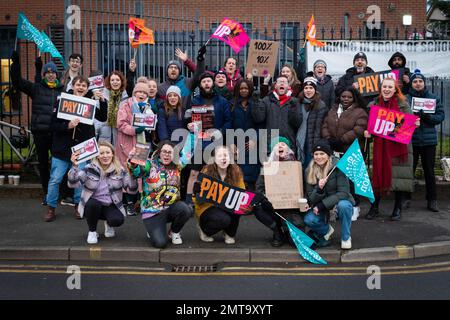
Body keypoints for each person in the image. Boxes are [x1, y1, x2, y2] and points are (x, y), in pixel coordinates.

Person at [45, 75, 107, 222]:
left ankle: (79, 206)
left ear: (87, 89)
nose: (80, 88)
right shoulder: (62, 101)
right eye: (78, 85)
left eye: (84, 86)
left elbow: (102, 117)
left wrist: (102, 101)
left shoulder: (90, 103)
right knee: (55, 179)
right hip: (62, 149)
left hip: (82, 149)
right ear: (72, 86)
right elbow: (52, 125)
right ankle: (51, 207)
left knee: (80, 179)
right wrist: (67, 126)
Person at [10, 51, 64, 205]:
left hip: (56, 133)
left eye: (53, 72)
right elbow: (18, 82)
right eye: (47, 72)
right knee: (43, 164)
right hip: (40, 133)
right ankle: (47, 193)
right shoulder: (36, 88)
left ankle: (57, 191)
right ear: (44, 74)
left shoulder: (62, 90)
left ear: (56, 74)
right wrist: (16, 64)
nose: (50, 75)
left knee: (57, 164)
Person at [364, 77, 420, 221]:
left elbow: (410, 123)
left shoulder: (403, 104)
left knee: (398, 178)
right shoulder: (375, 104)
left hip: (398, 148)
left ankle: (397, 208)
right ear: (380, 89)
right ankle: (374, 207)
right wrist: (368, 132)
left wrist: (414, 123)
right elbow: (371, 126)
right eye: (384, 87)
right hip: (381, 147)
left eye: (390, 87)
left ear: (395, 89)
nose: (387, 89)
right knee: (378, 174)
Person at [68, 141, 138, 244]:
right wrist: (74, 166)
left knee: (117, 220)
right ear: (97, 156)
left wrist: (132, 173)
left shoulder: (120, 170)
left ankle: (109, 224)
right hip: (93, 205)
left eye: (108, 152)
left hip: (111, 204)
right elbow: (73, 183)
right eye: (101, 153)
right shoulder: (89, 169)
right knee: (93, 204)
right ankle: (92, 231)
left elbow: (132, 190)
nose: (105, 156)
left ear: (112, 154)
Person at [128, 140, 193, 248]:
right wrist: (133, 163)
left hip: (170, 207)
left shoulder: (178, 165)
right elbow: (138, 171)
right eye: (164, 151)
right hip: (152, 210)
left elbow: (188, 151)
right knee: (160, 243)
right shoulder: (150, 165)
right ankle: (153, 229)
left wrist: (193, 132)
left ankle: (174, 232)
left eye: (170, 152)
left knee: (186, 209)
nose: (166, 154)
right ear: (159, 152)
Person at [185, 72, 232, 205]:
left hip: (216, 142)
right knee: (194, 172)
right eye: (204, 81)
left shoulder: (222, 101)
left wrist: (219, 132)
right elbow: (188, 118)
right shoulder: (195, 101)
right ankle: (189, 201)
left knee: (216, 172)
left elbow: (228, 121)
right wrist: (189, 124)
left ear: (213, 83)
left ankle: (216, 199)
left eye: (209, 81)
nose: (206, 83)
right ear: (200, 84)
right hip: (199, 142)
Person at [321, 87, 368, 220]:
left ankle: (355, 207)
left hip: (350, 151)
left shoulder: (360, 112)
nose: (346, 99)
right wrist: (329, 139)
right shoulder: (333, 109)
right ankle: (336, 208)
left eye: (349, 97)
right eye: (343, 96)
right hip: (334, 150)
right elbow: (325, 125)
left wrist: (342, 140)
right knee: (335, 181)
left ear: (354, 98)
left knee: (352, 181)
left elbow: (358, 129)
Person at [117, 77, 157, 216]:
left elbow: (151, 124)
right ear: (134, 92)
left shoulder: (148, 107)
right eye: (139, 92)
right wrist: (135, 129)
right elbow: (120, 124)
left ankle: (137, 203)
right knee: (128, 173)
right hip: (127, 143)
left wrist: (150, 127)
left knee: (139, 172)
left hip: (142, 144)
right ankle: (128, 203)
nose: (141, 94)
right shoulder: (125, 105)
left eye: (144, 93)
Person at [303, 140, 355, 249]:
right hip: (322, 204)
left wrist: (322, 204)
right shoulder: (309, 171)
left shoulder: (338, 167)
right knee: (309, 219)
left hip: (338, 201)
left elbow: (344, 193)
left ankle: (346, 237)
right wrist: (319, 188)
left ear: (328, 155)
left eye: (322, 154)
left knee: (344, 206)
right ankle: (327, 230)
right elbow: (311, 198)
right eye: (316, 154)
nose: (319, 157)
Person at [252, 137, 302, 247]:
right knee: (258, 207)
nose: (280, 146)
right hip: (273, 207)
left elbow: (303, 188)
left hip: (292, 208)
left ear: (288, 149)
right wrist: (267, 197)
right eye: (276, 145)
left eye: (283, 144)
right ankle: (277, 231)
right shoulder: (267, 167)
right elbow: (259, 188)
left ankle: (288, 231)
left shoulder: (297, 165)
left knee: (294, 243)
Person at [407, 69, 445, 212]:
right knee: (409, 171)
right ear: (411, 84)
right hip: (412, 140)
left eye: (420, 81)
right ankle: (406, 198)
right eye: (415, 81)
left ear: (424, 83)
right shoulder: (406, 98)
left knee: (429, 172)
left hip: (429, 141)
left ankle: (432, 200)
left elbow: (441, 116)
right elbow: (400, 117)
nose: (418, 84)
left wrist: (428, 117)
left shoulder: (433, 98)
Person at [193, 145, 246, 244]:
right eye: (220, 156)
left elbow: (241, 192)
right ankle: (204, 230)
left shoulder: (236, 170)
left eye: (225, 155)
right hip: (208, 206)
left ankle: (229, 233)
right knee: (223, 219)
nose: (223, 158)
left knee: (238, 208)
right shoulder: (207, 171)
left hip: (226, 204)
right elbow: (198, 198)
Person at [252, 75, 302, 154]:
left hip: (288, 145)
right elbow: (258, 118)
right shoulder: (267, 100)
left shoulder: (294, 101)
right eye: (279, 82)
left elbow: (297, 123)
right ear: (275, 86)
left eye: (284, 82)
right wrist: (256, 102)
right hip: (270, 144)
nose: (282, 84)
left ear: (288, 86)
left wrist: (293, 108)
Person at [231, 79, 261, 190]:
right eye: (241, 88)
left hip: (252, 144)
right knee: (238, 176)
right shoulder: (232, 104)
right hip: (237, 144)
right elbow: (229, 124)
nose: (244, 91)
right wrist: (231, 142)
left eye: (246, 88)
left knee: (252, 176)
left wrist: (255, 139)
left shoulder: (256, 104)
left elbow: (261, 123)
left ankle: (251, 203)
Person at [296, 77, 327, 167]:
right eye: (306, 88)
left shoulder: (320, 105)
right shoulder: (299, 102)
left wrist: (315, 147)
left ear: (315, 89)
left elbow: (318, 128)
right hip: (300, 139)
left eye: (311, 88)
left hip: (312, 142)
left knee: (310, 167)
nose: (308, 90)